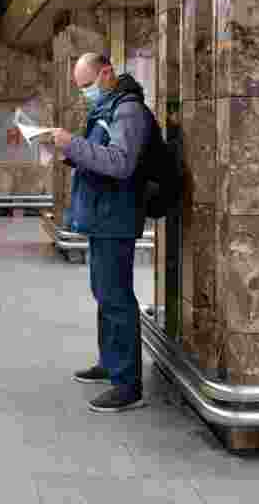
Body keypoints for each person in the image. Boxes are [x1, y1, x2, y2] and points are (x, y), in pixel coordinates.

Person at [51, 53, 152, 413]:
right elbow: (98, 155)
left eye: (87, 85)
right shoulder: (107, 108)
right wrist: (68, 152)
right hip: (104, 216)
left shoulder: (127, 111)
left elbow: (121, 163)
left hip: (117, 216)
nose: (85, 94)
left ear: (106, 73)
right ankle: (110, 363)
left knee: (116, 297)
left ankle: (128, 385)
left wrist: (72, 144)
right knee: (104, 293)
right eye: (80, 88)